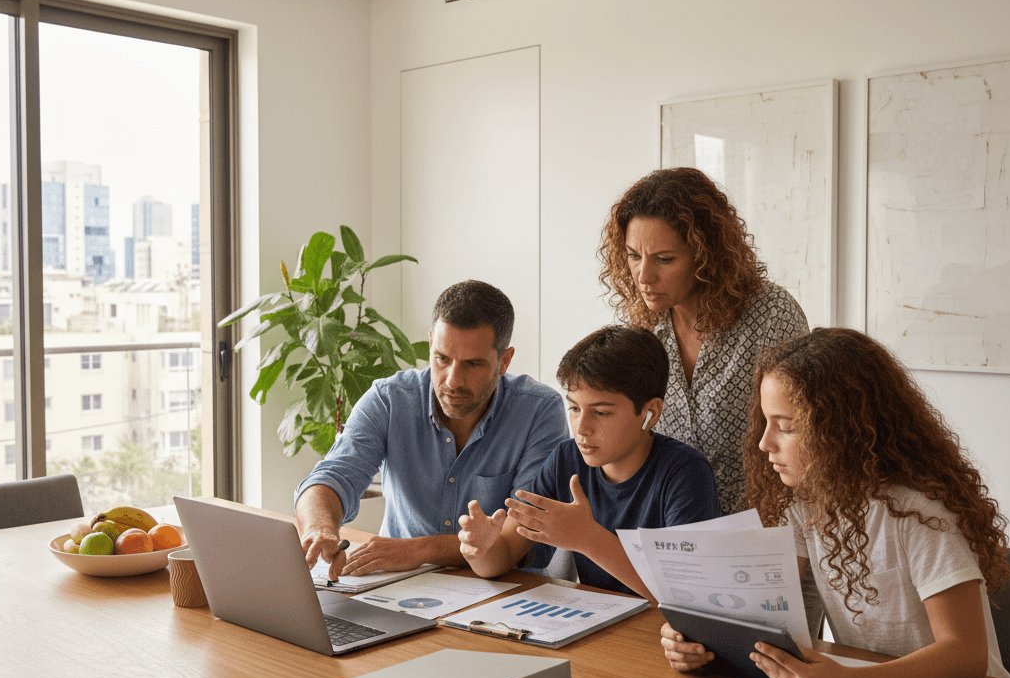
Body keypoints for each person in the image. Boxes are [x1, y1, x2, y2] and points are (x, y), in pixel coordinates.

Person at [661, 327, 1010, 678]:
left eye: (787, 427)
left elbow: (966, 657)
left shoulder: (921, 512)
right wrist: (699, 641)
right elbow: (757, 613)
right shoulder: (802, 503)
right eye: (764, 422)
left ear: (843, 430)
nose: (764, 443)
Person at [295, 280, 568, 580]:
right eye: (442, 358)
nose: (452, 380)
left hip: (502, 593)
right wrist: (319, 527)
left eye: (473, 364)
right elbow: (331, 477)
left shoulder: (538, 412)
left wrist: (419, 550)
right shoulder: (390, 399)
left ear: (504, 360)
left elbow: (517, 537)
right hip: (397, 586)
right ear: (430, 344)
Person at [598, 167, 808, 515]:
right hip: (674, 529)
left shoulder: (772, 316)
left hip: (764, 528)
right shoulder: (642, 328)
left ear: (705, 254)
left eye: (664, 259)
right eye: (634, 256)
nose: (643, 276)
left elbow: (805, 441)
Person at [457, 325, 720, 597]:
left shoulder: (686, 473)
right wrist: (481, 551)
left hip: (663, 634)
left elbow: (688, 597)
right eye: (574, 408)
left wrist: (587, 538)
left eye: (601, 412)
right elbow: (506, 551)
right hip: (601, 625)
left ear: (650, 413)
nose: (581, 428)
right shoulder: (566, 460)